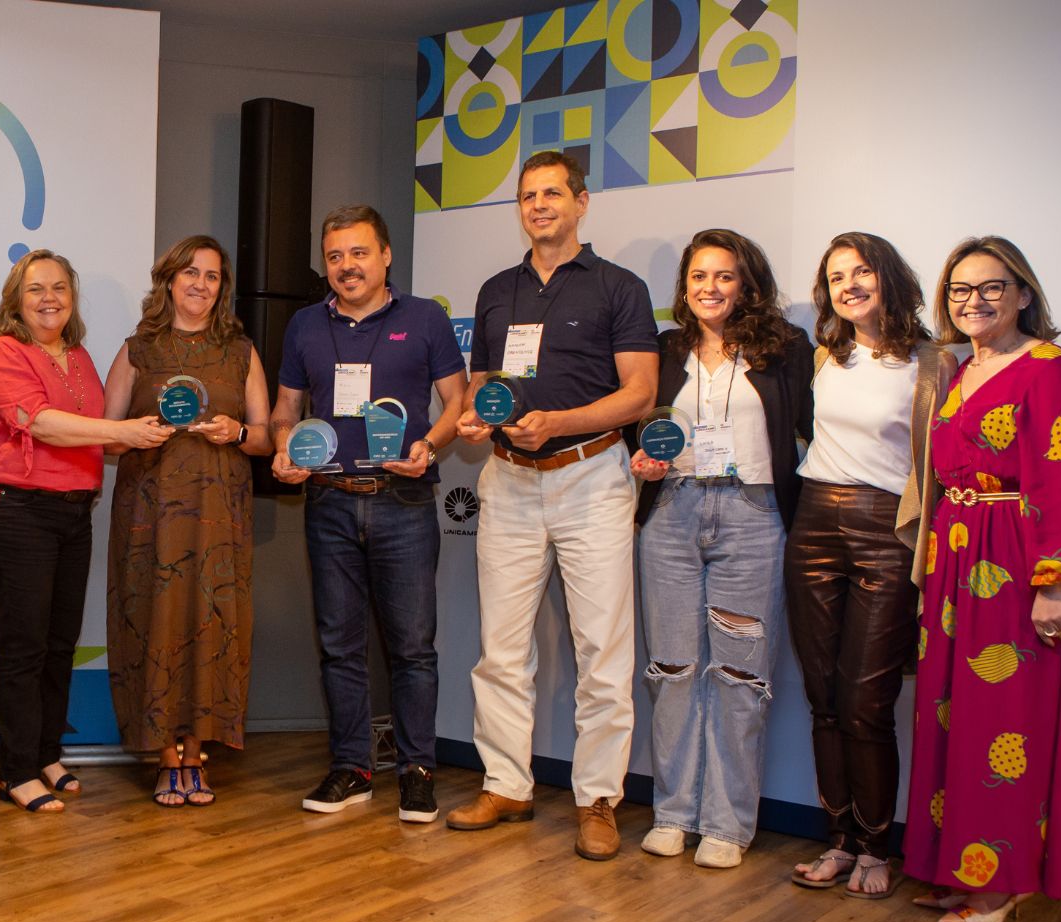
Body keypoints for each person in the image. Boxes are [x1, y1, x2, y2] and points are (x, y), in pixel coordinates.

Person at [447, 151, 656, 861]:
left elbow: (639, 395)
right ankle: (506, 783)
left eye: (553, 194)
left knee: (601, 651)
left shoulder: (618, 287)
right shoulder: (495, 289)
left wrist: (560, 422)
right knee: (502, 649)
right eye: (528, 196)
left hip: (590, 476)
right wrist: (477, 418)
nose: (540, 206)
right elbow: (484, 386)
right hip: (506, 479)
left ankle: (597, 798)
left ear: (582, 202)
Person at [902, 236, 1061, 922]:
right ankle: (965, 869)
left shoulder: (1046, 366)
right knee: (953, 714)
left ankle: (999, 886)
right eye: (960, 289)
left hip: (1017, 564)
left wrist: (1054, 584)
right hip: (957, 561)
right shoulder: (961, 368)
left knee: (1004, 724)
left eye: (991, 287)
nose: (974, 301)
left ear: (1022, 293)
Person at [271, 204, 467, 825]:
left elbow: (458, 401)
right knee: (339, 646)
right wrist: (283, 448)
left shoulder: (426, 318)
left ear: (385, 256)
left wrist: (430, 446)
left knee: (413, 648)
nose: (347, 266)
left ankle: (416, 771)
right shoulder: (303, 325)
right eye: (335, 256)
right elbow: (285, 408)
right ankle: (352, 768)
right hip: (329, 502)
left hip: (404, 502)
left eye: (359, 253)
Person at [625, 229, 812, 868]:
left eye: (724, 276)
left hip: (752, 517)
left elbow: (812, 432)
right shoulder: (666, 349)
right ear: (685, 287)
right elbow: (641, 433)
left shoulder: (786, 349)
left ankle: (728, 824)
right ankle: (674, 814)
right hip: (672, 516)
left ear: (747, 283)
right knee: (672, 672)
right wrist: (643, 461)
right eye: (698, 277)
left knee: (738, 676)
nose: (709, 288)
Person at [0, 249, 172, 813]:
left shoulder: (79, 356)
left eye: (59, 287)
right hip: (15, 511)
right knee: (25, 644)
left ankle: (45, 752)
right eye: (36, 289)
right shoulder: (3, 354)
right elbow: (46, 425)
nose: (49, 298)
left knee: (59, 644)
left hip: (71, 513)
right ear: (16, 300)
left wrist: (167, 428)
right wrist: (124, 429)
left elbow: (101, 438)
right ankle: (14, 770)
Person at [785, 233, 954, 899]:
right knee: (823, 697)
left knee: (865, 702)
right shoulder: (826, 355)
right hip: (813, 525)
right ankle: (839, 842)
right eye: (835, 275)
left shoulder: (931, 362)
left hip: (888, 531)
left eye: (861, 271)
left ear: (887, 277)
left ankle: (879, 848)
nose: (848, 284)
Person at [102, 236, 274, 807]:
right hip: (149, 518)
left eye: (213, 276)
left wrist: (239, 434)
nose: (201, 284)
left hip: (218, 516)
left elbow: (267, 436)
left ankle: (197, 749)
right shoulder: (136, 351)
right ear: (169, 280)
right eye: (191, 273)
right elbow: (106, 439)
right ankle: (164, 754)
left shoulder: (242, 352)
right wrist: (136, 432)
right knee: (156, 620)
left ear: (222, 287)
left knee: (213, 619)